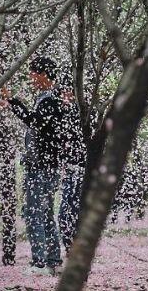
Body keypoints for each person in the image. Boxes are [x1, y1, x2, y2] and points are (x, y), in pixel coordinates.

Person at [0, 56, 63, 276]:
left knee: (35, 212)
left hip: (42, 167)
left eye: (33, 73)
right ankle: (52, 260)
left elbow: (35, 122)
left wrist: (13, 102)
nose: (31, 78)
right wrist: (12, 102)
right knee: (44, 213)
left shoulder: (50, 100)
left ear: (43, 74)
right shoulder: (48, 98)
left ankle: (40, 263)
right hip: (46, 166)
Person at [57, 82, 86, 254]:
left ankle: (74, 247)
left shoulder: (79, 115)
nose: (64, 97)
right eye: (62, 94)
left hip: (79, 170)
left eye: (68, 94)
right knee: (65, 212)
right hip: (69, 170)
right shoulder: (62, 114)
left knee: (72, 210)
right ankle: (70, 246)